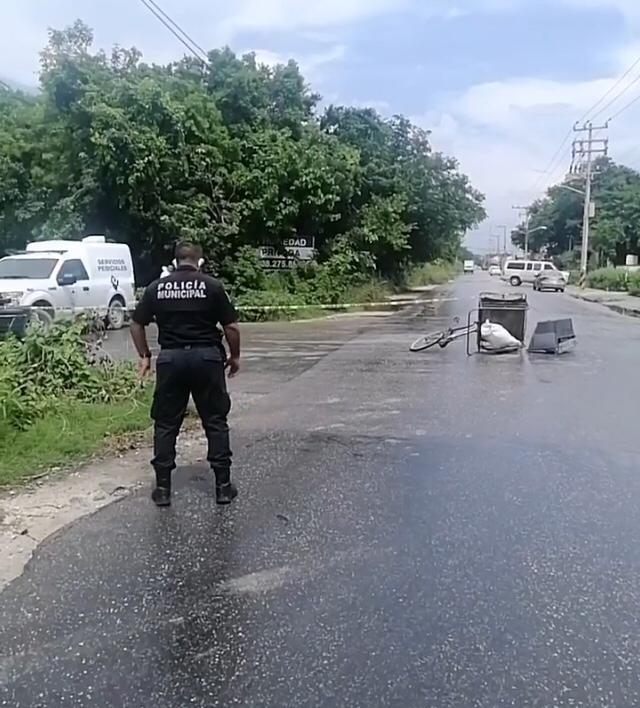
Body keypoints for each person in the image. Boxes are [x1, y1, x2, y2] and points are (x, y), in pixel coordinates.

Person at [130, 241, 241, 507]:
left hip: (171, 359)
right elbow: (231, 327)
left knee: (166, 423)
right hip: (207, 358)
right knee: (215, 420)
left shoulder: (157, 288)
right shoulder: (212, 286)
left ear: (176, 262)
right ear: (199, 261)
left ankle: (164, 490)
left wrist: (145, 356)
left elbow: (136, 324)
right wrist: (234, 356)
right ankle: (223, 488)